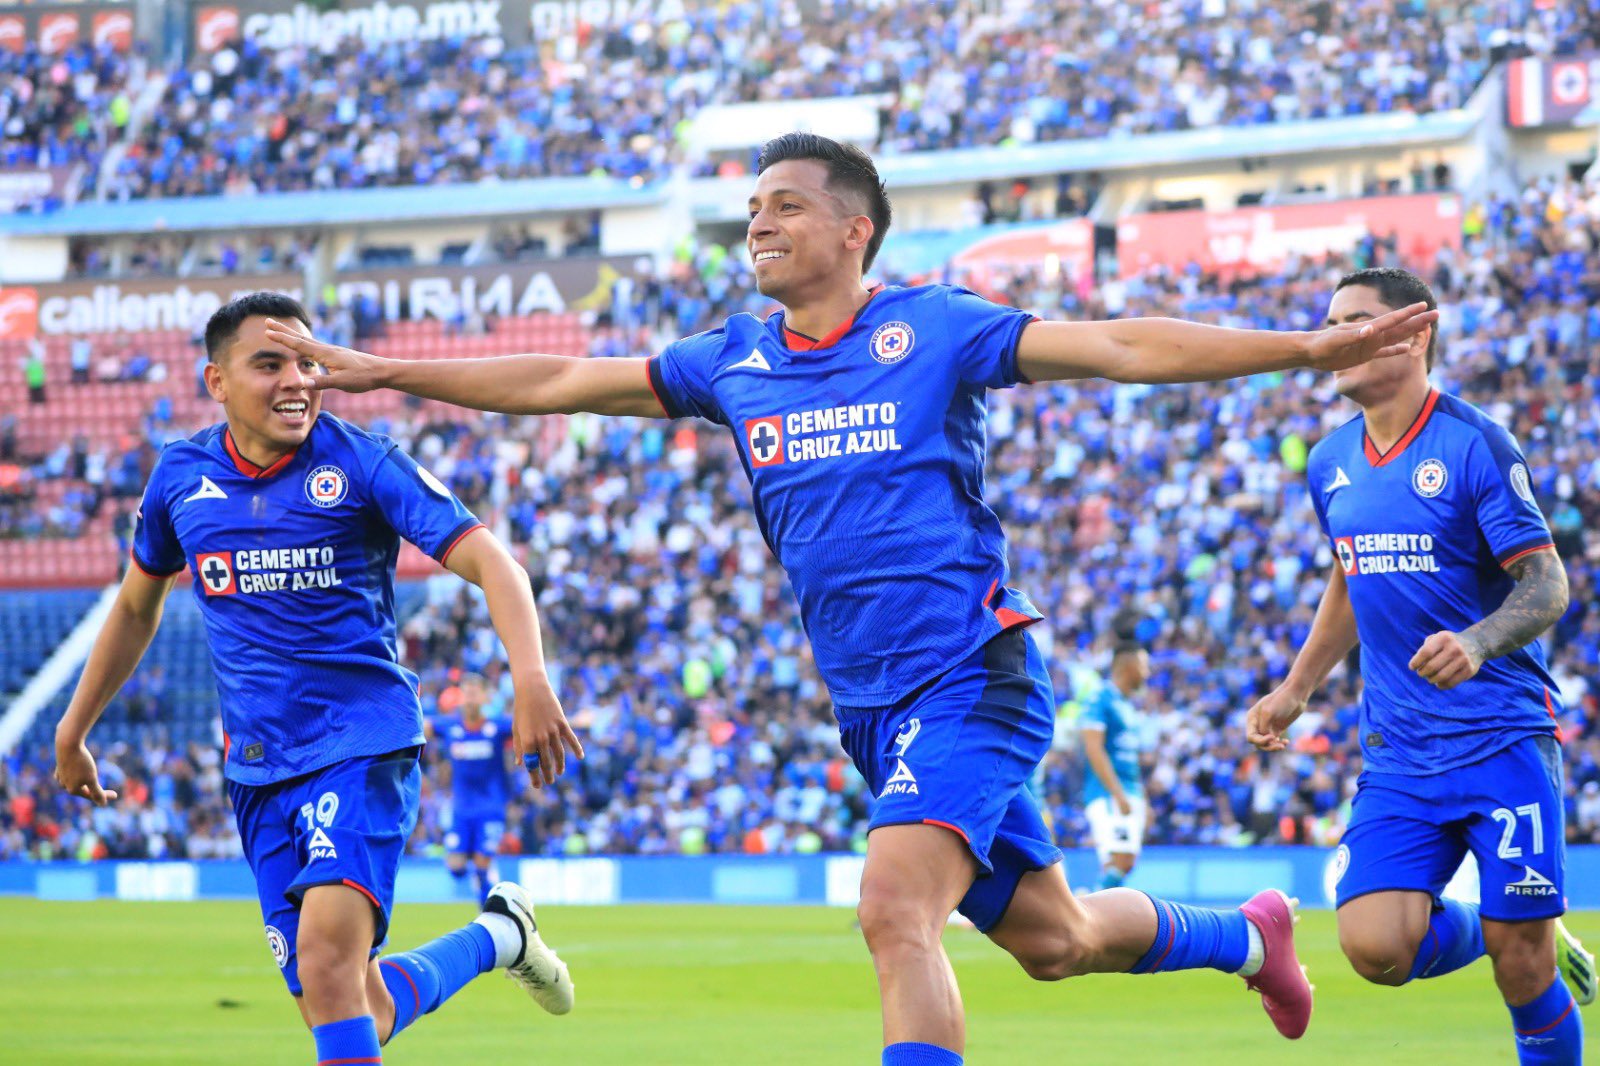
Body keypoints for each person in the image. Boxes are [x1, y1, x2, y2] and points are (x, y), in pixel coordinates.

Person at [268, 133, 1438, 1064]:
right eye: (751, 210)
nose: (757, 225)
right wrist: (388, 371)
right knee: (1055, 938)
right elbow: (564, 377)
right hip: (870, 704)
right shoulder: (733, 359)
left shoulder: (933, 327)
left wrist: (1296, 350)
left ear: (851, 227)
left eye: (782, 204)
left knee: (892, 909)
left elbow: (1119, 345)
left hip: (969, 675)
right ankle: (1247, 936)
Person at [54, 292, 585, 1066]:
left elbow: (491, 560)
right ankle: (500, 935)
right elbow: (137, 607)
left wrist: (530, 676)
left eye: (307, 361)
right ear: (217, 381)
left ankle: (499, 934)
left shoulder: (362, 461)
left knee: (331, 969)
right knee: (349, 1003)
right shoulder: (180, 479)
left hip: (360, 744)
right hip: (259, 768)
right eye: (269, 364)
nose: (296, 380)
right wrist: (74, 728)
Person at [1246, 267, 1593, 1064]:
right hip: (1400, 752)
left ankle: (1525, 939)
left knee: (1524, 967)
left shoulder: (1474, 442)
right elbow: (1349, 573)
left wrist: (1476, 642)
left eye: (1356, 321)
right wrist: (1298, 686)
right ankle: (1501, 925)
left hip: (1500, 738)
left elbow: (1547, 585)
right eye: (1329, 322)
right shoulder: (1330, 460)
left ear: (1413, 331)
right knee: (1374, 949)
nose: (1336, 337)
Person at [428, 672, 513, 905]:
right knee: (455, 867)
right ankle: (482, 876)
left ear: (486, 697)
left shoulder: (497, 727)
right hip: (462, 809)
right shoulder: (450, 726)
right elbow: (422, 727)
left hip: (490, 806)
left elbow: (528, 726)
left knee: (482, 864)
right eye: (467, 693)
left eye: (476, 693)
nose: (471, 698)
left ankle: (488, 914)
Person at [1080, 612, 1150, 891]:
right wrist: (1118, 793)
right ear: (1128, 665)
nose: (1147, 672)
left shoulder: (1126, 704)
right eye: (1144, 665)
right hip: (1108, 793)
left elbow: (1129, 760)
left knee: (1123, 861)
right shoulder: (1101, 697)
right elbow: (1093, 748)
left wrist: (1140, 797)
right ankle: (1087, 914)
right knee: (1121, 859)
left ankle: (1090, 909)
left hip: (1128, 790)